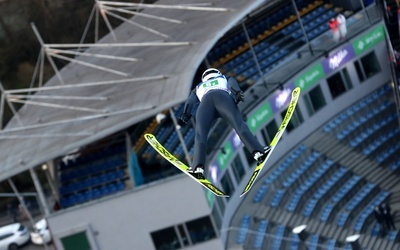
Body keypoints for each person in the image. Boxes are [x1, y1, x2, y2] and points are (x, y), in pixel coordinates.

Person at [178, 68, 270, 177]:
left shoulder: (198, 87)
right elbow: (232, 85)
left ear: (204, 78)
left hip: (205, 104)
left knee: (200, 136)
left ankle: (197, 167)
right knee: (239, 125)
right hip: (223, 99)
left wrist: (186, 113)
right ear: (218, 73)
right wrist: (237, 93)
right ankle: (258, 152)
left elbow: (190, 101)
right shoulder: (224, 78)